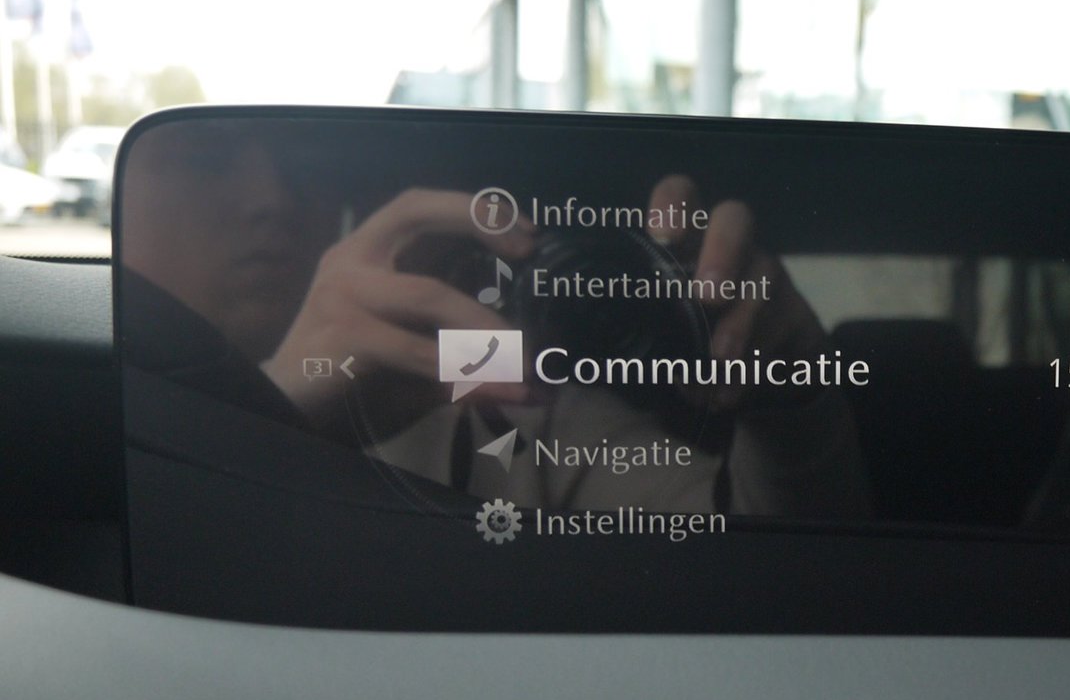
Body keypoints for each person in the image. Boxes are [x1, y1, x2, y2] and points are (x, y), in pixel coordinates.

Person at [117, 117, 868, 520]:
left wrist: (789, 398)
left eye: (309, 168)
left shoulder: (504, 403)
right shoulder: (79, 401)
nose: (272, 199)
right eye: (206, 154)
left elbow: (762, 559)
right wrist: (275, 427)